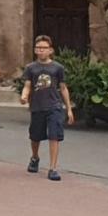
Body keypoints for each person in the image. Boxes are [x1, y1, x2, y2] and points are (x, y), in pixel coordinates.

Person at [20, 35, 74, 182]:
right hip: (37, 107)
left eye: (44, 48)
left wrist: (68, 108)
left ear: (50, 50)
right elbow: (27, 85)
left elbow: (63, 88)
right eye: (38, 48)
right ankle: (35, 157)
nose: (41, 51)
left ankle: (53, 168)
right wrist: (24, 96)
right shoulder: (31, 68)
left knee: (54, 135)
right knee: (35, 136)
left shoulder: (58, 68)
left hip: (54, 106)